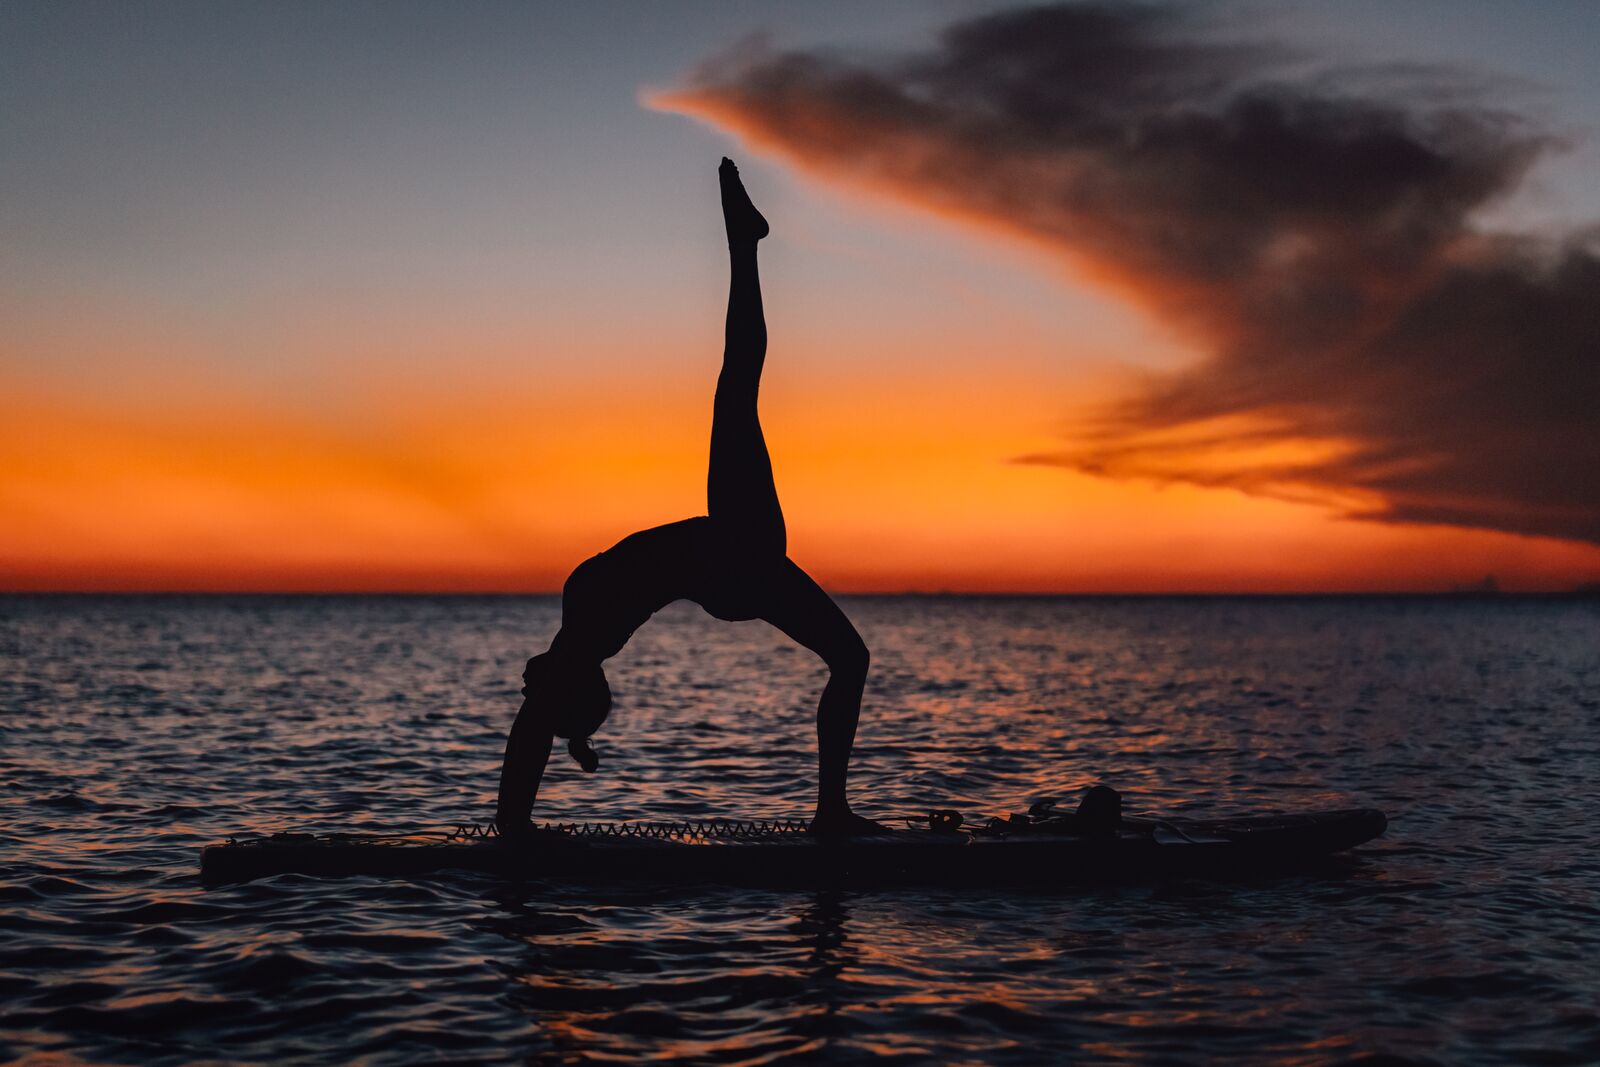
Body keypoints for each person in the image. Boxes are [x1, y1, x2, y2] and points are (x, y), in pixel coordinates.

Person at [495, 158, 885, 841]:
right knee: (736, 389)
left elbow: (537, 715)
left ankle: (831, 813)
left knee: (850, 658)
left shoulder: (586, 619)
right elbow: (539, 714)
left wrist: (517, 818)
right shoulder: (584, 618)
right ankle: (744, 245)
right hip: (736, 559)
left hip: (736, 564)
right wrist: (528, 804)